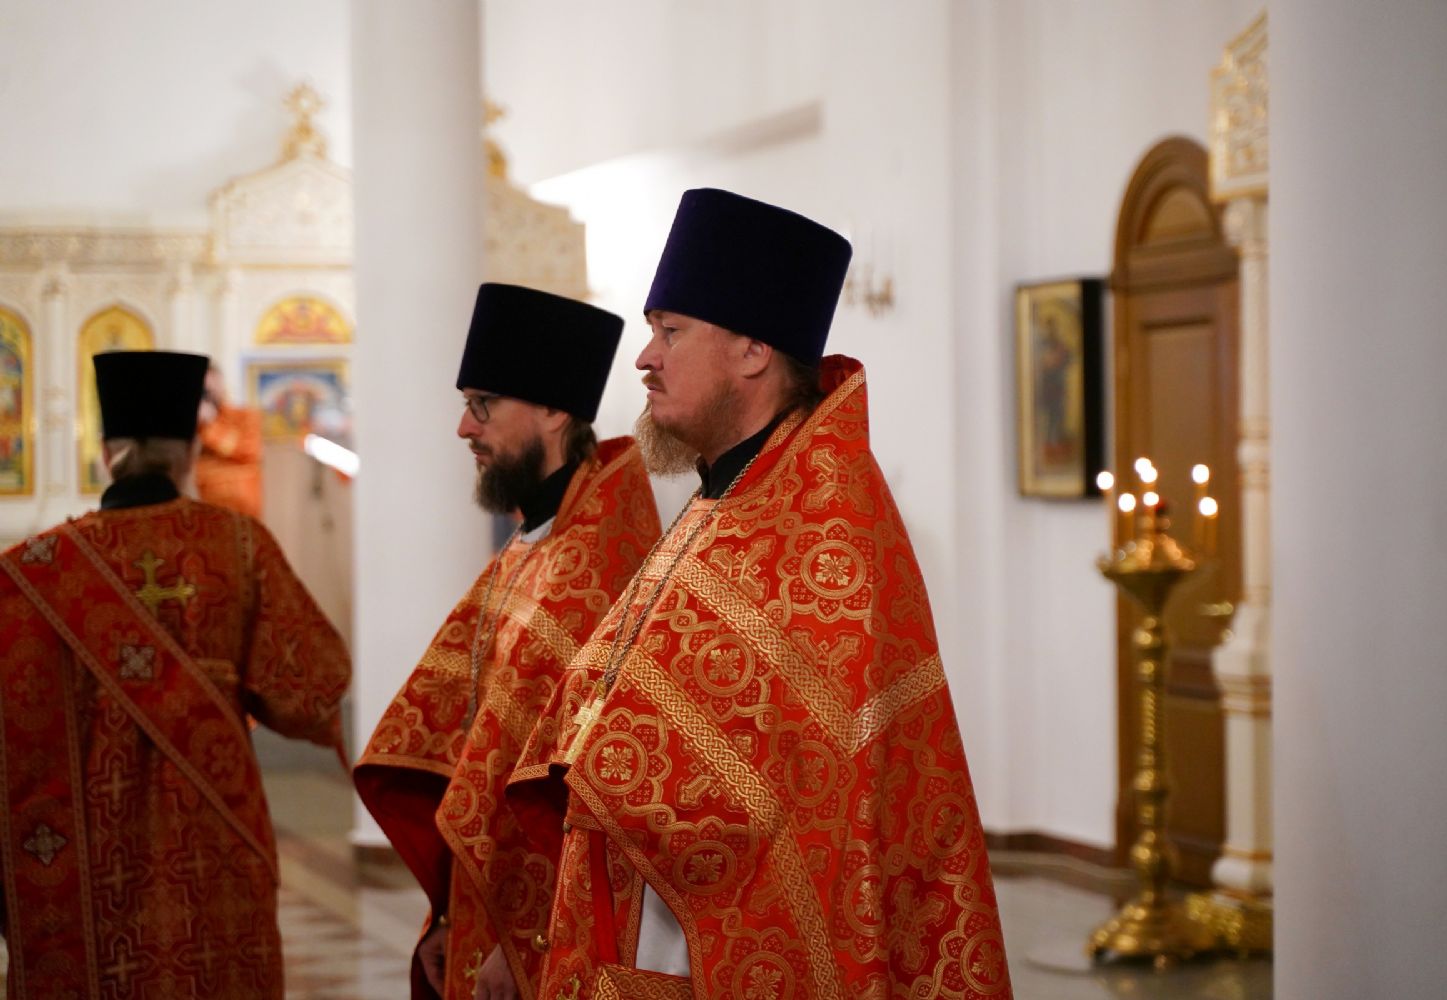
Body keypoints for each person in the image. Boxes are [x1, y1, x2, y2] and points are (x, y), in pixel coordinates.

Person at [506, 189, 1013, 1000]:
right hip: (637, 934)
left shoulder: (825, 528)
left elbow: (808, 793)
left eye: (670, 331)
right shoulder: (723, 498)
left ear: (750, 351)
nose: (644, 358)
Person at [0, 350, 350, 998]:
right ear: (189, 451)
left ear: (106, 453)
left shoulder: (31, 575)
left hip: (96, 861)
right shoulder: (239, 547)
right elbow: (311, 687)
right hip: (216, 854)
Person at [354, 284, 661, 1000]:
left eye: (484, 404)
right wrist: (447, 914)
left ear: (553, 411)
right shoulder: (531, 545)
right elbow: (465, 739)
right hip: (486, 906)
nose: (464, 426)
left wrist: (523, 939)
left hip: (542, 928)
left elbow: (574, 783)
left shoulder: (597, 560)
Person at [195, 362, 265, 517]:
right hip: (205, 506)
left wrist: (210, 423)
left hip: (241, 507)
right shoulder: (196, 423)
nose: (208, 395)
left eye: (211, 389)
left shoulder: (245, 416)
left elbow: (249, 452)